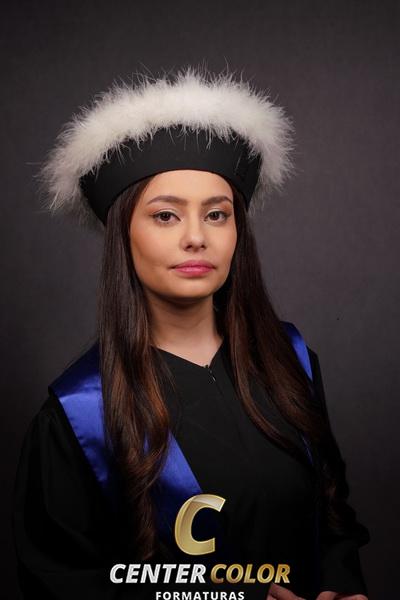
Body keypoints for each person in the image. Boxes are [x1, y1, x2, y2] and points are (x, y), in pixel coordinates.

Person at [13, 65, 370, 600]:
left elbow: (333, 516)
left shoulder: (291, 362)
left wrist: (340, 587)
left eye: (217, 215)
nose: (196, 237)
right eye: (166, 216)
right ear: (123, 237)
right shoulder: (79, 415)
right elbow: (65, 585)